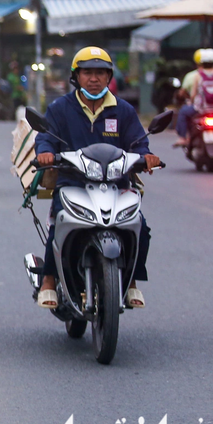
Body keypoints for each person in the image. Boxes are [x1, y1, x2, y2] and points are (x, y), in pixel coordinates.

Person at [34, 47, 160, 310]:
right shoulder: (60, 108)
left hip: (117, 183)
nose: (94, 78)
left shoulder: (123, 110)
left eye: (100, 73)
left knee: (141, 227)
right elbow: (45, 136)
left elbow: (138, 142)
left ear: (109, 76)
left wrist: (146, 156)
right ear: (76, 77)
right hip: (73, 181)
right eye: (88, 72)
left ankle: (131, 281)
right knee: (60, 222)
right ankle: (48, 280)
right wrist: (45, 152)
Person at [174, 48, 213, 145]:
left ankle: (182, 138)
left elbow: (193, 95)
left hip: (200, 109)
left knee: (183, 112)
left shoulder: (197, 75)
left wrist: (192, 102)